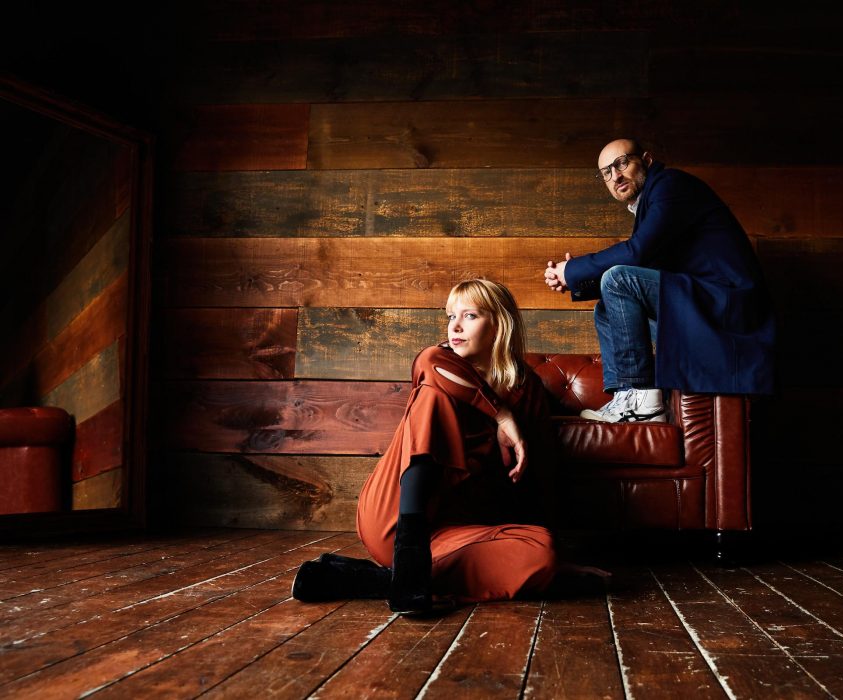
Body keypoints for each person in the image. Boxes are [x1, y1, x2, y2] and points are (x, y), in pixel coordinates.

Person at [292, 279, 581, 613]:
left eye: (469, 316)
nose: (455, 326)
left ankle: (380, 580)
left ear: (500, 324)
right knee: (433, 396)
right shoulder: (439, 363)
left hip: (452, 533)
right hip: (394, 516)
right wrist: (501, 415)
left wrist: (557, 565)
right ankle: (407, 564)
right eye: (450, 316)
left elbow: (540, 479)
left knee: (541, 551)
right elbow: (429, 359)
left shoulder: (526, 388)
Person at [544, 138, 775, 422]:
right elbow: (644, 263)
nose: (615, 176)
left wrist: (573, 270)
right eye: (606, 172)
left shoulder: (670, 185)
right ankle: (625, 397)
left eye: (621, 163)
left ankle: (643, 396)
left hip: (728, 306)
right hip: (698, 301)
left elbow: (637, 252)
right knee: (605, 308)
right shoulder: (653, 202)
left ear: (647, 160)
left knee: (618, 279)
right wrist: (572, 278)